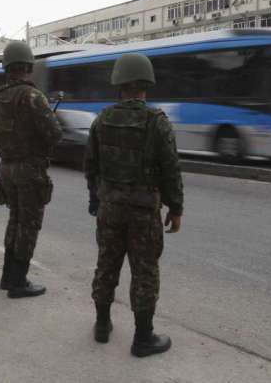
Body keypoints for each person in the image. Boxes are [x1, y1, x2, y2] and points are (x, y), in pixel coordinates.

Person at [84, 53, 183, 357]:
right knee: (144, 272)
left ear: (119, 84)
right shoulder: (157, 122)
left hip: (109, 207)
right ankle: (143, 338)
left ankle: (102, 325)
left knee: (106, 263)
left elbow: (91, 166)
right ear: (146, 85)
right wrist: (175, 208)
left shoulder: (102, 120)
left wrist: (95, 200)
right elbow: (170, 169)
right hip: (143, 211)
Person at [0, 41, 62, 298]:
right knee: (28, 224)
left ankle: (8, 276)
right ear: (28, 66)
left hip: (6, 167)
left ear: (6, 67)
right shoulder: (32, 96)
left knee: (14, 220)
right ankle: (19, 281)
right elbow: (54, 133)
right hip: (30, 168)